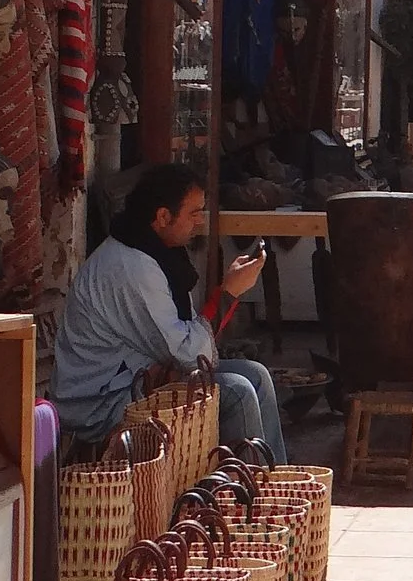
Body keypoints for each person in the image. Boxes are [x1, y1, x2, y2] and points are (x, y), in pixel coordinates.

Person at [51, 162, 285, 460]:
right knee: (237, 391)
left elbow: (186, 344)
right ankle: (246, 495)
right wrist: (228, 293)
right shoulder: (133, 267)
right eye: (193, 213)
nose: (199, 222)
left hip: (141, 375)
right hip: (101, 400)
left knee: (256, 375)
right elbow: (188, 354)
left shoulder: (157, 252)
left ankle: (272, 482)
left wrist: (227, 293)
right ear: (163, 216)